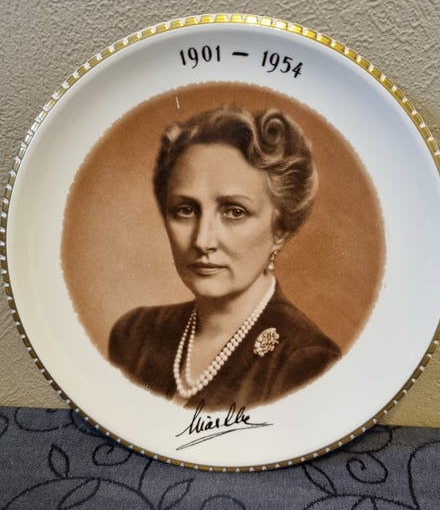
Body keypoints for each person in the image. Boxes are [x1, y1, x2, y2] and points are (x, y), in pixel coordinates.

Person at [108, 105, 341, 410]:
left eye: (234, 212)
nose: (202, 240)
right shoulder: (135, 336)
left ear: (280, 229)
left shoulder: (306, 362)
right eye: (185, 210)